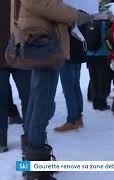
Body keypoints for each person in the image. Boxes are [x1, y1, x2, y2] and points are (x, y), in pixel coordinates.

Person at [14, 0, 90, 179]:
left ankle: (31, 163)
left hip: (39, 41)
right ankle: (36, 169)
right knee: (42, 104)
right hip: (44, 44)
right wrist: (76, 15)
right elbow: (41, 3)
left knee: (36, 101)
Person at [0, 0, 31, 153]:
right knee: (28, 97)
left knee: (27, 97)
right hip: (20, 54)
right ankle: (31, 138)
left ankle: (30, 138)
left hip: (20, 55)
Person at [54, 25, 87, 132]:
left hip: (67, 56)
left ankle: (72, 120)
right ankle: (78, 118)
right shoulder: (79, 15)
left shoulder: (64, 17)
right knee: (75, 87)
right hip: (77, 55)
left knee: (69, 90)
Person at [86, 10, 114, 111]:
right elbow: (108, 38)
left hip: (89, 55)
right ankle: (101, 103)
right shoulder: (105, 23)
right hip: (102, 55)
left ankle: (95, 102)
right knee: (102, 80)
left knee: (93, 79)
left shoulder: (90, 21)